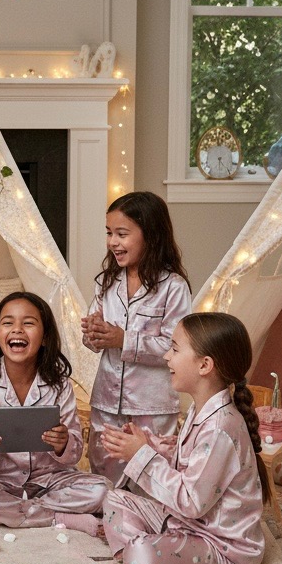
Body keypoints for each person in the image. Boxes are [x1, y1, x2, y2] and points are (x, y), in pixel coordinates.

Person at [99, 312, 266, 564]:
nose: (166, 356)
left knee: (141, 553)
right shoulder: (200, 408)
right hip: (185, 524)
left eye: (175, 349)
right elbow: (188, 460)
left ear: (205, 365)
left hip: (222, 546)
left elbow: (191, 501)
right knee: (115, 499)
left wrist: (141, 456)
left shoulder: (221, 428)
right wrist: (148, 445)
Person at [0, 292, 108, 535]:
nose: (17, 329)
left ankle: (22, 512)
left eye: (28, 323)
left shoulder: (59, 386)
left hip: (53, 480)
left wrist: (63, 443)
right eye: (8, 323)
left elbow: (74, 453)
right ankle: (60, 517)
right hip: (4, 483)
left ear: (46, 337)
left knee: (103, 490)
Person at [81, 191, 192, 484]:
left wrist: (123, 339)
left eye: (122, 233)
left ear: (151, 235)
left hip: (151, 405)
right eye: (109, 233)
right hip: (106, 400)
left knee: (152, 476)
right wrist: (93, 334)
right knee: (104, 474)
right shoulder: (106, 283)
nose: (112, 242)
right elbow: (95, 342)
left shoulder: (174, 287)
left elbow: (175, 348)